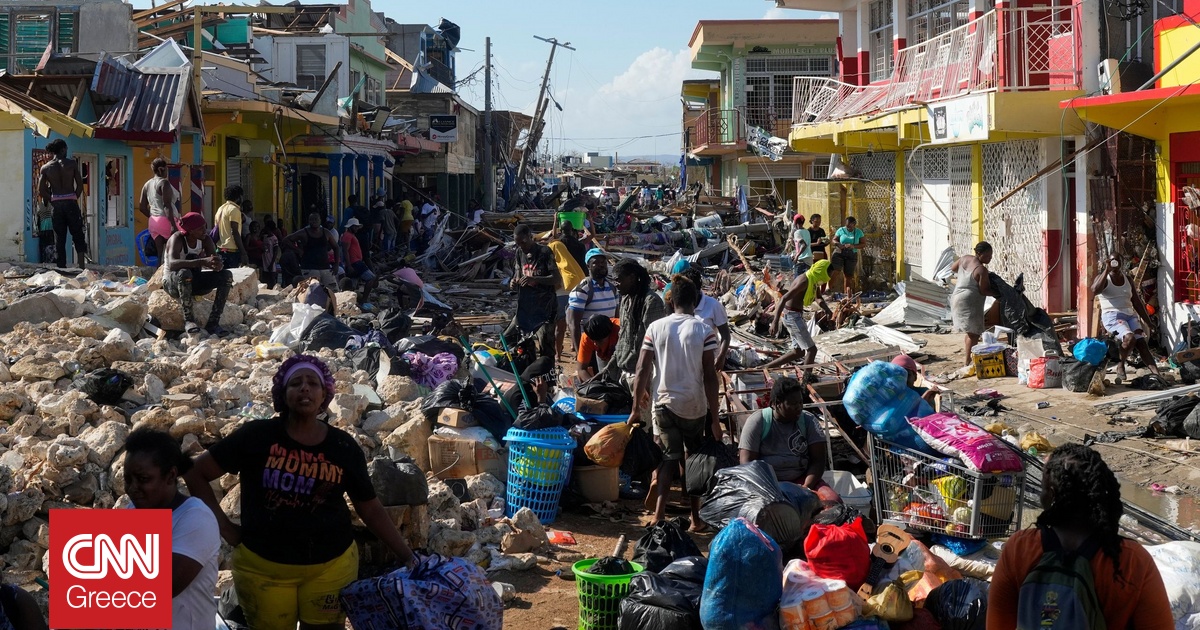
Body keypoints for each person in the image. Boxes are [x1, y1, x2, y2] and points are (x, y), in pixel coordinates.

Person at [183, 355, 416, 630]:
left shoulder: (342, 447)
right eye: (295, 382)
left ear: (325, 394)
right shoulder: (256, 436)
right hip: (263, 569)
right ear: (283, 394)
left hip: (331, 567)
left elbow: (370, 508)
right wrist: (226, 529)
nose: (304, 388)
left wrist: (408, 556)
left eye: (313, 383)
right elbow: (195, 472)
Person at [987, 443, 1173, 630]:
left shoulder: (1020, 548)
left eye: (1043, 488)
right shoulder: (1130, 560)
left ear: (1050, 495)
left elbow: (997, 625)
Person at [628, 275, 720, 529]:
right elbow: (710, 377)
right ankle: (695, 519)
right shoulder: (703, 330)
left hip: (663, 403)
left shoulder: (656, 328)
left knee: (667, 459)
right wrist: (715, 419)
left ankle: (658, 516)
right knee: (692, 462)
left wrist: (636, 407)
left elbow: (642, 368)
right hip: (693, 406)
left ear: (671, 302)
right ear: (695, 300)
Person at [124, 428, 219, 630]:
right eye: (127, 479)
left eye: (142, 479)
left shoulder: (196, 518)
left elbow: (164, 587)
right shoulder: (133, 509)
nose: (132, 488)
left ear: (171, 475)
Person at [738, 377, 829, 491]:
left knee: (832, 500)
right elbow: (747, 463)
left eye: (800, 402)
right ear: (776, 404)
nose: (799, 407)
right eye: (793, 404)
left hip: (802, 479)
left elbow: (818, 460)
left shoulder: (808, 421)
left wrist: (807, 487)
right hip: (766, 483)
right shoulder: (758, 421)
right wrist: (767, 488)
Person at [1092, 256, 1162, 383]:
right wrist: (1106, 271)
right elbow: (1095, 290)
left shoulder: (1127, 279)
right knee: (1129, 337)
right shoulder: (1104, 278)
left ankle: (1157, 374)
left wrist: (1148, 322)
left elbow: (1136, 301)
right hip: (1112, 316)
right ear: (1108, 262)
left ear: (1121, 262)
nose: (1115, 263)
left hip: (1130, 315)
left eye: (1117, 260)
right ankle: (1120, 365)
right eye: (1112, 260)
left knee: (1141, 343)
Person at [612, 258, 667, 420]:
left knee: (643, 427)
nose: (616, 284)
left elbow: (654, 346)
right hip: (625, 372)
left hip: (641, 376)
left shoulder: (651, 302)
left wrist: (644, 384)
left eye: (619, 280)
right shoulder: (626, 299)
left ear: (632, 277)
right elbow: (623, 337)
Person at [164, 213, 232, 335]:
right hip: (173, 283)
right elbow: (173, 264)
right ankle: (189, 320)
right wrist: (201, 261)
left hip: (193, 281)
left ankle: (213, 323)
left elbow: (213, 259)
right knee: (184, 273)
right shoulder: (177, 238)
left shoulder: (205, 239)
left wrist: (217, 265)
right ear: (190, 230)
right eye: (200, 228)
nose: (204, 231)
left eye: (204, 227)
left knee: (226, 276)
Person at [765, 260, 833, 374]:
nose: (828, 278)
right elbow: (783, 299)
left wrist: (826, 309)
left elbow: (818, 298)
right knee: (812, 350)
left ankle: (766, 367)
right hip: (792, 316)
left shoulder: (813, 279)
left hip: (796, 315)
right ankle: (806, 381)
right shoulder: (804, 281)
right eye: (828, 275)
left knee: (799, 352)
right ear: (821, 272)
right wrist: (775, 322)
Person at [506, 224, 559, 359]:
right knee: (510, 337)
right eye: (518, 244)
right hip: (526, 306)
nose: (522, 246)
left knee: (546, 346)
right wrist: (514, 282)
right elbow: (518, 274)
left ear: (531, 237)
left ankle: (549, 376)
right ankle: (527, 370)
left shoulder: (544, 252)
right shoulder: (519, 252)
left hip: (545, 307)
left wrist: (535, 278)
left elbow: (556, 278)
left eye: (523, 242)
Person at [38, 138, 89, 268]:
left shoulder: (46, 168)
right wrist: (73, 197)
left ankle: (62, 267)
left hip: (57, 205)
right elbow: (79, 185)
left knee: (59, 238)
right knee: (77, 234)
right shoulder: (71, 164)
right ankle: (82, 266)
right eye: (66, 149)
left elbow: (41, 190)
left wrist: (53, 200)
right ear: (63, 149)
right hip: (71, 203)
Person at [951, 241, 996, 366]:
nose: (990, 258)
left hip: (956, 298)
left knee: (970, 333)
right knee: (974, 334)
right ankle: (968, 362)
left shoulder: (964, 259)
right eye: (987, 256)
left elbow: (953, 268)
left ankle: (968, 359)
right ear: (979, 254)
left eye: (991, 256)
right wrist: (999, 293)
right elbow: (984, 290)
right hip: (969, 302)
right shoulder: (981, 270)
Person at [567, 249, 619, 352]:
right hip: (590, 347)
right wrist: (580, 353)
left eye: (603, 262)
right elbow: (574, 324)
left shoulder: (613, 288)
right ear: (588, 266)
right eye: (596, 262)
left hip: (609, 347)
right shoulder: (582, 290)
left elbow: (616, 318)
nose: (601, 265)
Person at [681, 266, 731, 370]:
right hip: (688, 361)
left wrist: (721, 357)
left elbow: (725, 334)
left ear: (697, 288)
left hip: (710, 360)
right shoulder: (681, 304)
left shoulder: (713, 306)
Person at [550, 238, 587, 356]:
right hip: (573, 297)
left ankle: (558, 354)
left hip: (559, 297)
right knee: (573, 326)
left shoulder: (554, 265)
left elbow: (556, 285)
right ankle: (576, 351)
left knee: (559, 329)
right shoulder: (570, 263)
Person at [287, 212, 340, 290]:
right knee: (312, 292)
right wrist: (298, 250)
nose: (314, 221)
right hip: (309, 268)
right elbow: (287, 240)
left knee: (334, 291)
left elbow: (336, 247)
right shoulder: (304, 232)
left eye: (316, 219)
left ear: (320, 220)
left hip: (325, 268)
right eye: (311, 219)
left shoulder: (326, 232)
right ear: (309, 221)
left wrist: (336, 264)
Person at [140, 157, 179, 262]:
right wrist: (173, 225)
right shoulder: (164, 183)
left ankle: (158, 275)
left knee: (159, 255)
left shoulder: (147, 184)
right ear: (162, 169)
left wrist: (153, 217)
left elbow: (142, 207)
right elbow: (167, 205)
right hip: (166, 220)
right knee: (173, 253)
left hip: (153, 222)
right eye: (166, 169)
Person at [340, 218, 378, 304]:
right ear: (351, 227)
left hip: (355, 262)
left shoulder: (349, 235)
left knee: (353, 284)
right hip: (355, 262)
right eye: (355, 227)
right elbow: (345, 251)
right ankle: (364, 300)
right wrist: (349, 265)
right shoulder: (348, 236)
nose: (357, 229)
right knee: (372, 278)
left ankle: (351, 301)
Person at [576, 314, 620, 381]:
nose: (595, 343)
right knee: (606, 379)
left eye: (599, 341)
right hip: (604, 356)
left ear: (610, 334)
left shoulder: (621, 331)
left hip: (625, 356)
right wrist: (594, 385)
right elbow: (581, 369)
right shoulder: (587, 337)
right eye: (593, 340)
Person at [829, 216, 865, 295]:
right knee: (836, 271)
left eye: (849, 225)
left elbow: (863, 244)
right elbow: (834, 239)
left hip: (851, 254)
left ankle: (847, 294)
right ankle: (829, 290)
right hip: (840, 252)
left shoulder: (859, 232)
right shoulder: (841, 230)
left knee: (848, 275)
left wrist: (853, 246)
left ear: (854, 224)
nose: (847, 227)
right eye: (846, 225)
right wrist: (838, 244)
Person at [215, 185, 248, 269]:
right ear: (238, 197)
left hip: (220, 250)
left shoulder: (220, 209)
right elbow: (235, 232)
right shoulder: (234, 210)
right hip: (231, 252)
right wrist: (243, 253)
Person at [260, 217, 282, 290]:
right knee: (265, 276)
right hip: (264, 259)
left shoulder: (274, 238)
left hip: (270, 260)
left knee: (271, 276)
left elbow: (275, 252)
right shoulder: (264, 237)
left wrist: (272, 262)